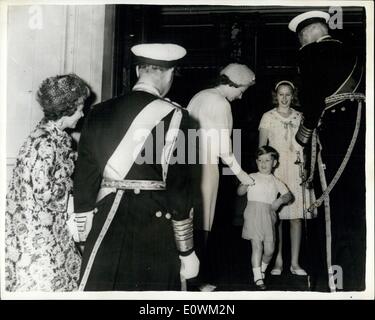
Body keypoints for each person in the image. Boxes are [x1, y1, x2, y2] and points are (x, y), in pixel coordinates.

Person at [73, 43, 200, 291]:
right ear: (168, 73)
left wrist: (84, 232)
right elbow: (179, 187)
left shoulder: (98, 112)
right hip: (154, 227)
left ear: (138, 71)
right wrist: (187, 251)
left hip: (106, 221)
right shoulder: (178, 117)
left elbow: (84, 177)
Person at [289, 11, 366, 290]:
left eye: (300, 40)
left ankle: (331, 284)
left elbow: (312, 103)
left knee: (330, 207)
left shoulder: (310, 54)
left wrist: (302, 137)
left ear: (306, 36)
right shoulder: (354, 52)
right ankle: (356, 277)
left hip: (332, 138)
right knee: (356, 207)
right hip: (360, 136)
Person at [5, 74, 90, 291]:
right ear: (67, 109)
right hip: (37, 236)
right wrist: (73, 187)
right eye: (80, 107)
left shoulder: (55, 136)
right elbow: (44, 193)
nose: (82, 113)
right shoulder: (44, 142)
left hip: (48, 228)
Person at [187, 63, 256, 291]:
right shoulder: (221, 103)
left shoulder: (199, 96)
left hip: (187, 165)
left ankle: (187, 277)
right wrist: (242, 174)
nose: (240, 96)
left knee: (188, 222)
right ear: (233, 84)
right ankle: (198, 281)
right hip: (207, 166)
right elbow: (224, 147)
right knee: (204, 224)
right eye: (241, 90)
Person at [258, 80, 316, 276]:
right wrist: (265, 173)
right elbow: (262, 149)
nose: (284, 98)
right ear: (276, 96)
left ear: (293, 96)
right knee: (278, 219)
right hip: (277, 172)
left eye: (288, 94)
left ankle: (295, 263)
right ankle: (278, 261)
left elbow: (307, 148)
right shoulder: (267, 117)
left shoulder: (300, 117)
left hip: (297, 170)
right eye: (281, 94)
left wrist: (307, 168)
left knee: (296, 218)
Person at [238, 146, 293, 290]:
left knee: (269, 250)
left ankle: (261, 270)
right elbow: (239, 192)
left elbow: (288, 196)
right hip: (253, 213)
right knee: (257, 246)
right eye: (260, 160)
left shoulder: (276, 181)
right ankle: (257, 277)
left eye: (267, 160)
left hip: (269, 216)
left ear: (274, 163)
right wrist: (244, 184)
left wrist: (280, 201)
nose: (263, 163)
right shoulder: (252, 176)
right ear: (256, 162)